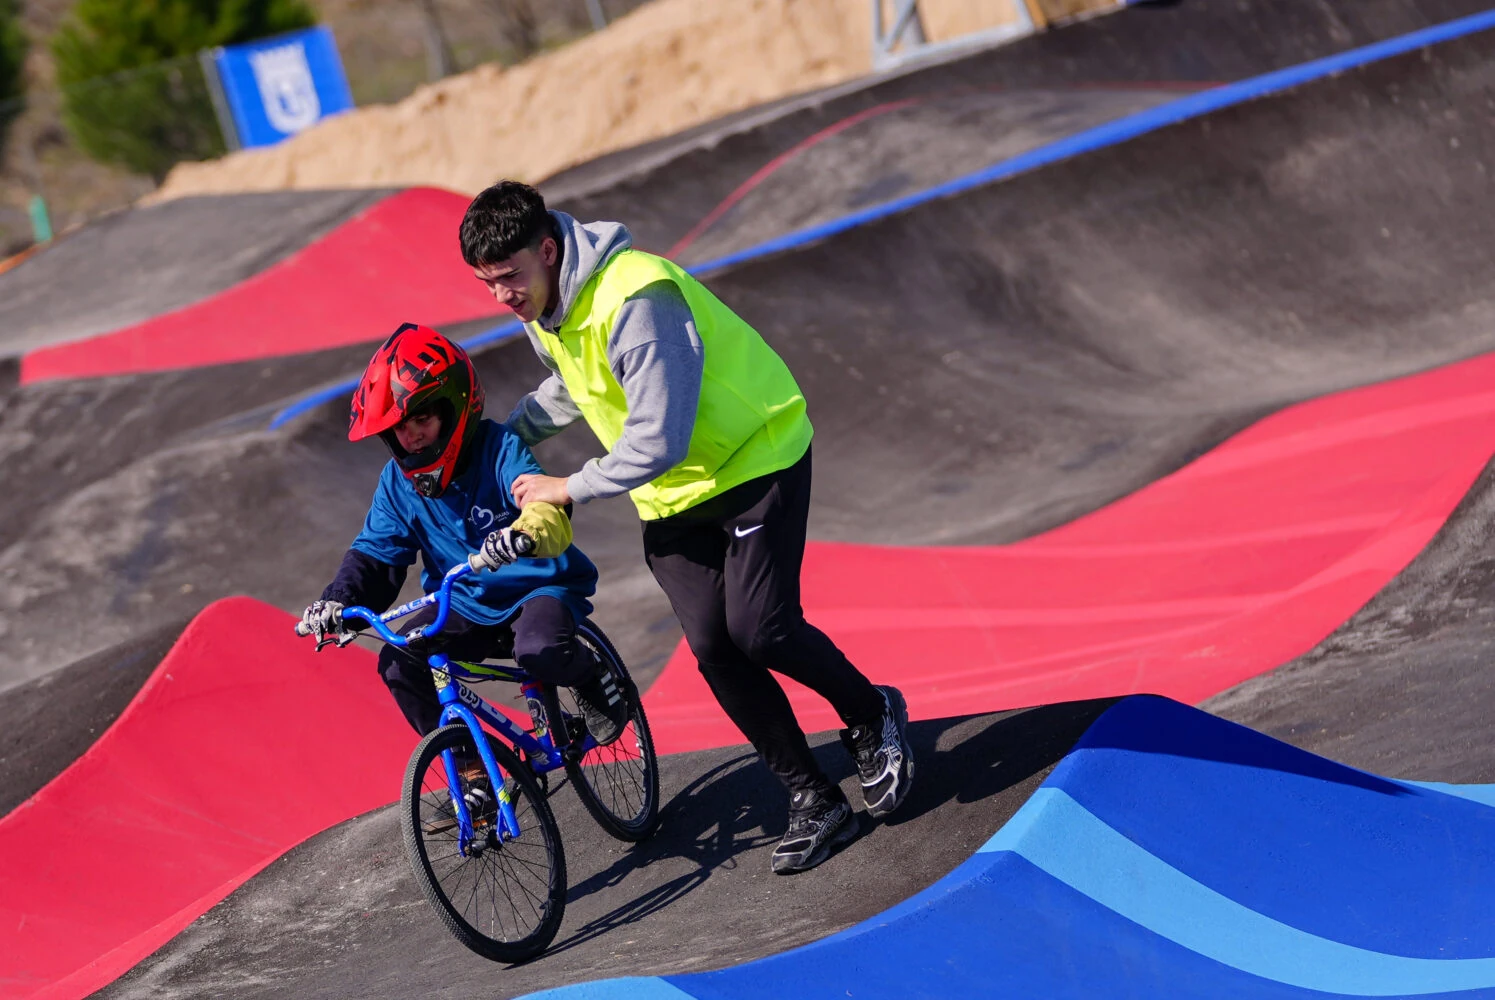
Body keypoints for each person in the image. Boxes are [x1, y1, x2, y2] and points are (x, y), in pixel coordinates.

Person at [458, 180, 915, 874]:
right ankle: (812, 797)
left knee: (762, 629)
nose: (502, 297)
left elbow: (658, 440)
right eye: (487, 284)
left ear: (547, 250)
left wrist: (566, 487)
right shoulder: (546, 306)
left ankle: (870, 713)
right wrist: (498, 441)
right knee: (712, 646)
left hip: (753, 460)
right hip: (673, 498)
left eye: (510, 278)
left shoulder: (637, 297)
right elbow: (572, 385)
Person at [297, 322, 628, 764]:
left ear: (455, 410)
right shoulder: (397, 485)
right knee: (398, 665)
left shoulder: (499, 448)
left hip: (538, 589)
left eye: (422, 419)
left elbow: (545, 507)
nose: (411, 435)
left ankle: (593, 677)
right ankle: (474, 772)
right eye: (399, 426)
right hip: (466, 602)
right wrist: (338, 602)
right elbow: (376, 555)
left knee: (539, 650)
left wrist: (525, 535)